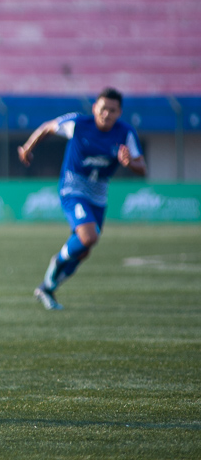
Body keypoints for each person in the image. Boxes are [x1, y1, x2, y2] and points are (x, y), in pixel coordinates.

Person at [18, 88, 147, 310]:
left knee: (84, 249)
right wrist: (28, 148)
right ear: (95, 107)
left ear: (119, 112)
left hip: (99, 195)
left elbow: (142, 168)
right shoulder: (78, 123)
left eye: (112, 110)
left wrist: (129, 164)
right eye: (103, 108)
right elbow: (47, 127)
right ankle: (57, 261)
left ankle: (47, 287)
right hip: (73, 188)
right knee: (89, 237)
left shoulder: (125, 133)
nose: (106, 113)